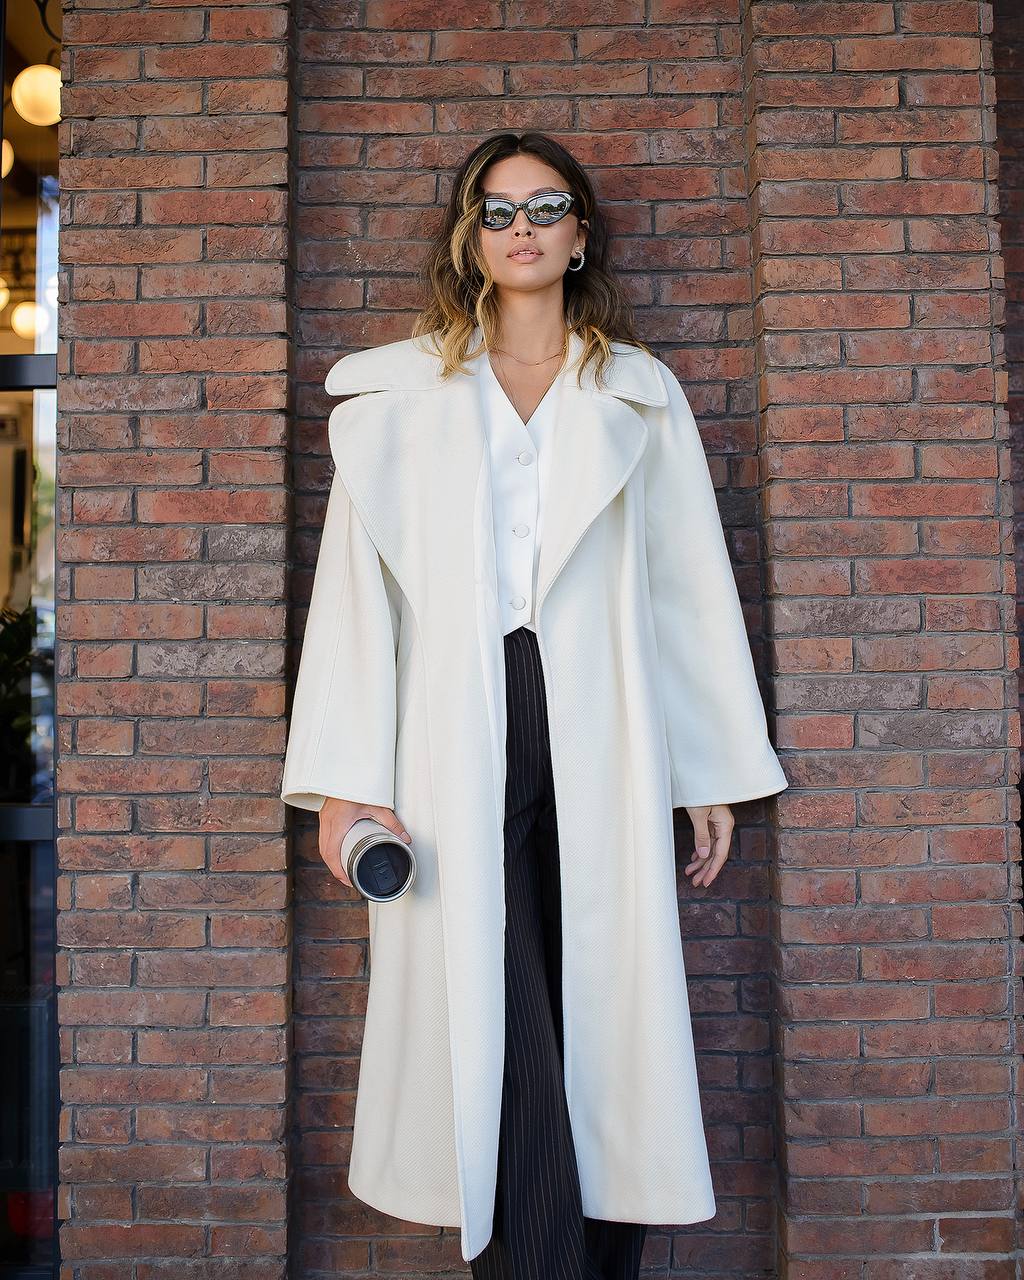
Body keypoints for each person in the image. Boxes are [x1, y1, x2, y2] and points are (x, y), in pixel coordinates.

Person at [281, 131, 789, 1278]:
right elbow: (358, 600)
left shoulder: (632, 391)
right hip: (453, 731)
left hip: (598, 725)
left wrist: (707, 769)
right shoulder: (402, 395)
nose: (521, 230)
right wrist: (346, 782)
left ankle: (581, 1258)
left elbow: (684, 584)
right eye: (498, 211)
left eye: (544, 207)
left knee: (601, 1010)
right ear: (470, 238)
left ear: (578, 233)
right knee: (492, 1001)